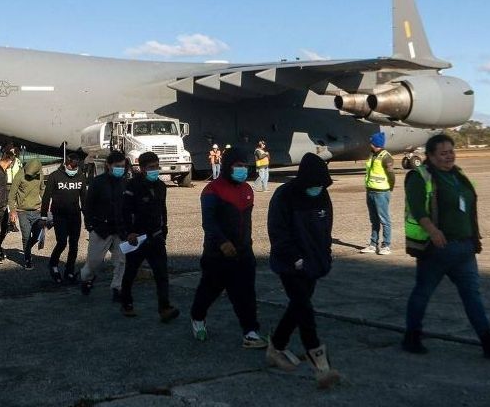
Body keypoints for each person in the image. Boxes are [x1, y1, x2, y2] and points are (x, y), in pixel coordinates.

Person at [402, 134, 490, 358]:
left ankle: (488, 340)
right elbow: (418, 209)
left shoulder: (458, 175)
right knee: (422, 293)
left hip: (464, 249)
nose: (449, 156)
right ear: (431, 156)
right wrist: (433, 232)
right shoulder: (420, 177)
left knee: (472, 295)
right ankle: (411, 336)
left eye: (451, 151)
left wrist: (474, 239)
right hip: (436, 250)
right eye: (443, 153)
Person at [266, 153, 339, 388]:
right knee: (305, 310)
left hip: (314, 263)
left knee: (297, 307)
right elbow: (278, 232)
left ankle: (276, 346)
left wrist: (325, 256)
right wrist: (296, 259)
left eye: (321, 185)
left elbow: (326, 229)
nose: (318, 188)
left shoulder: (322, 195)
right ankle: (319, 363)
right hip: (289, 264)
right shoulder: (284, 196)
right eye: (315, 184)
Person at [190, 146, 267, 348]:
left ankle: (250, 332)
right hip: (218, 253)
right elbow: (209, 223)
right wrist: (222, 242)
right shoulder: (212, 190)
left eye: (244, 166)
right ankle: (197, 317)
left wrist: (246, 246)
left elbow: (246, 223)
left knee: (246, 293)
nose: (242, 170)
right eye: (237, 166)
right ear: (227, 167)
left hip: (243, 252)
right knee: (210, 289)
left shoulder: (248, 190)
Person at [118, 151, 179, 322]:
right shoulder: (132, 186)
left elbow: (162, 210)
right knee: (131, 272)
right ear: (143, 168)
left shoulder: (160, 186)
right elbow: (124, 211)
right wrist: (128, 232)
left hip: (156, 236)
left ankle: (164, 307)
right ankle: (126, 303)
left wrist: (164, 230)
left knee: (161, 273)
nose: (155, 170)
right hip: (137, 238)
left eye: (157, 167)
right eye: (151, 167)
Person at [79, 151, 127, 301]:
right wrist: (90, 226)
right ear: (108, 165)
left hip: (120, 230)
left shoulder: (125, 183)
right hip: (101, 230)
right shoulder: (98, 182)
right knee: (93, 263)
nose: (120, 169)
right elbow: (88, 205)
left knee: (121, 261)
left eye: (123, 166)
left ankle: (117, 288)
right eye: (117, 166)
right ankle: (86, 279)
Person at [42, 153, 87, 284]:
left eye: (75, 167)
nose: (72, 170)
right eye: (70, 166)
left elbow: (84, 199)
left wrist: (88, 219)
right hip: (59, 215)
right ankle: (53, 264)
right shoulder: (54, 176)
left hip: (75, 216)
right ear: (65, 164)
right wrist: (44, 216)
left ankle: (69, 271)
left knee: (74, 245)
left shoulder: (81, 177)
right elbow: (46, 197)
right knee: (62, 242)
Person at [360, 132, 394, 255]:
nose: (370, 144)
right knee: (374, 220)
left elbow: (391, 175)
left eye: (371, 142)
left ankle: (386, 245)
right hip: (370, 191)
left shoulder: (386, 157)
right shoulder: (372, 155)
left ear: (375, 143)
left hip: (381, 192)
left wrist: (390, 188)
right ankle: (373, 245)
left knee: (384, 220)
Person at [10, 157, 44, 269]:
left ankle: (27, 249)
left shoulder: (40, 174)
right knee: (26, 236)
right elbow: (12, 195)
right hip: (22, 211)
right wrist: (13, 211)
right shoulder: (19, 175)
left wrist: (47, 205)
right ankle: (27, 259)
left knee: (37, 236)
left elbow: (42, 189)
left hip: (37, 210)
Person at [5, 144, 23, 233]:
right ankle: (7, 224)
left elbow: (21, 171)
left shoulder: (18, 161)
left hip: (15, 185)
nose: (13, 153)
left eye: (14, 151)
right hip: (5, 185)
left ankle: (13, 223)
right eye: (11, 151)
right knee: (6, 205)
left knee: (14, 205)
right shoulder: (4, 161)